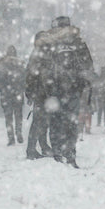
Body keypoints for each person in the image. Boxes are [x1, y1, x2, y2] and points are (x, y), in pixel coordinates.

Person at [35, 16, 94, 167]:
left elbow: (40, 66)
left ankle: (57, 151)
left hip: (54, 89)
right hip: (74, 89)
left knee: (55, 120)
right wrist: (85, 85)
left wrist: (44, 87)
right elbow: (88, 66)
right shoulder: (78, 42)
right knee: (71, 121)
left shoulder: (50, 42)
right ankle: (70, 152)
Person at [24, 30, 53, 160]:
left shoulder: (39, 53)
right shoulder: (41, 54)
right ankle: (32, 149)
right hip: (42, 92)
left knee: (43, 121)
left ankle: (42, 146)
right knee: (39, 121)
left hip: (41, 91)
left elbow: (30, 75)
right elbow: (31, 75)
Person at [0, 46, 25, 146]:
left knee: (8, 117)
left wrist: (3, 89)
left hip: (6, 95)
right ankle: (18, 132)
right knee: (18, 115)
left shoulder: (2, 64)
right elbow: (25, 78)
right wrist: (21, 88)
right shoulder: (20, 64)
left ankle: (11, 137)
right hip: (18, 94)